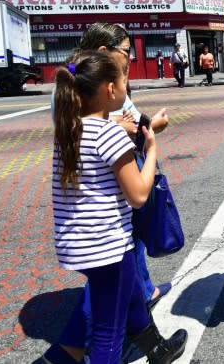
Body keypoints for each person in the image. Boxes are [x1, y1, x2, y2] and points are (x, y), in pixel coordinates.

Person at [44, 23, 172, 364]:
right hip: (107, 245)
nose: (127, 76)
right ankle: (68, 353)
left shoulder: (69, 131)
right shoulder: (110, 135)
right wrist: (152, 149)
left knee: (129, 294)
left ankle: (157, 349)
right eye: (122, 72)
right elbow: (138, 195)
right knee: (107, 334)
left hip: (78, 242)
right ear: (110, 88)